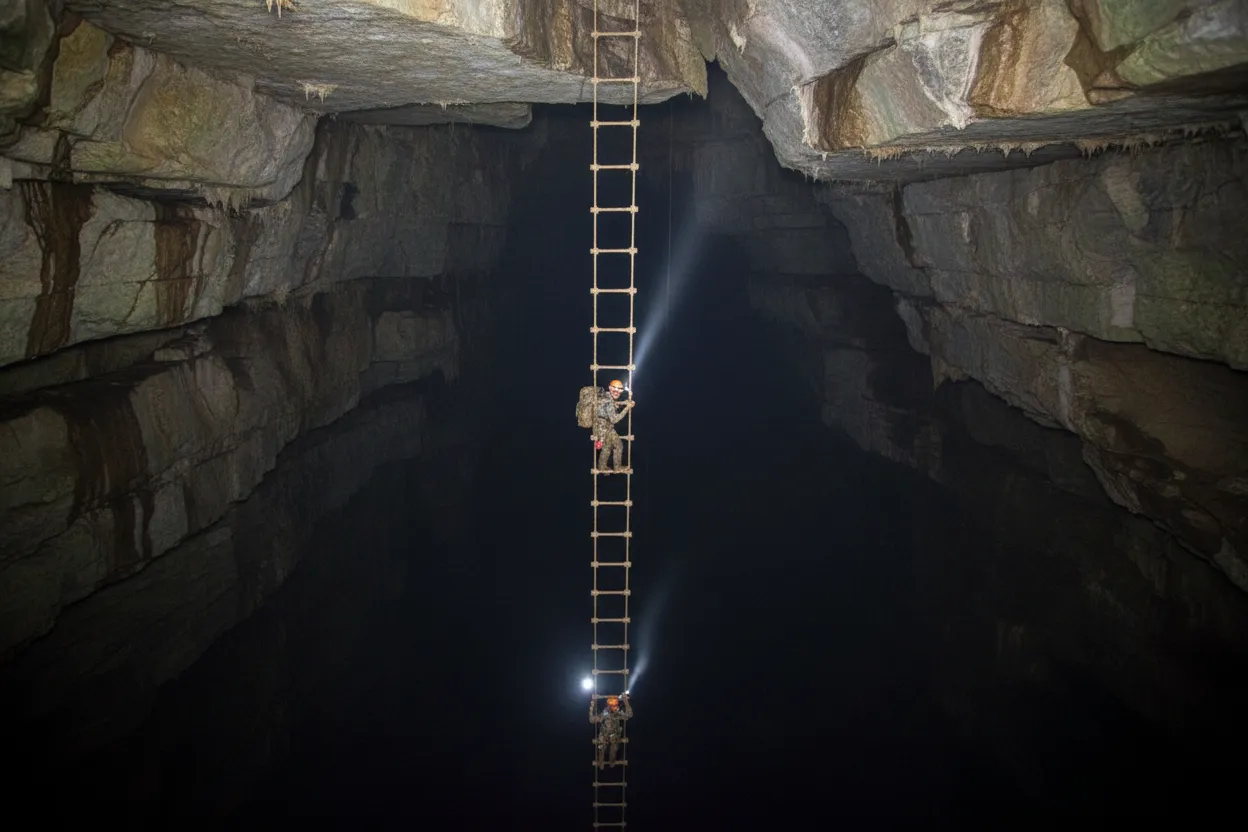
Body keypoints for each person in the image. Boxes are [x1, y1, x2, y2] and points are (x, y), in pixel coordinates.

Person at [594, 380, 633, 473]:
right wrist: (627, 408)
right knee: (618, 445)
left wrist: (624, 402)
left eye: (619, 389)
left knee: (607, 446)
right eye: (614, 389)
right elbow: (614, 419)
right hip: (605, 428)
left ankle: (602, 467)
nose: (617, 392)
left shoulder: (606, 396)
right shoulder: (609, 402)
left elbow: (613, 404)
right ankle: (617, 467)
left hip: (601, 427)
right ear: (610, 388)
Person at [589, 693, 632, 768]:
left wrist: (626, 701)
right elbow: (592, 720)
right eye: (611, 704)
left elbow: (629, 714)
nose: (612, 706)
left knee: (613, 750)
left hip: (615, 735)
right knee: (601, 748)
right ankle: (601, 763)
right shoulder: (604, 714)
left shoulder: (618, 713)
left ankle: (611, 762)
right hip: (604, 734)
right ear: (608, 705)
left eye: (614, 704)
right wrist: (592, 705)